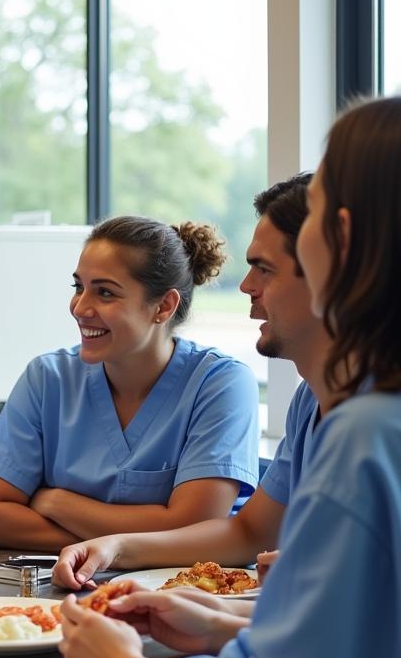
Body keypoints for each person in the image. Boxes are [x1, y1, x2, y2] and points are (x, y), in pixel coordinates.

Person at [60, 94, 401, 658]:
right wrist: (225, 626)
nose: (246, 285)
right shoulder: (398, 408)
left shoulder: (373, 440)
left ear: (343, 238)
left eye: (315, 207)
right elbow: (375, 655)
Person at [53, 174, 330, 594]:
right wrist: (116, 547)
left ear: (328, 275)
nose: (245, 286)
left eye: (264, 269)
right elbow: (249, 534)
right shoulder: (311, 400)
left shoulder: (391, 414)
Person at [0, 216, 260, 551]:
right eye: (79, 287)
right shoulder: (48, 378)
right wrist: (121, 540)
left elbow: (193, 528)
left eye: (104, 292)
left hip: (182, 595)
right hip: (63, 589)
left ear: (164, 306)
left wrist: (58, 504)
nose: (80, 307)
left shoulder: (220, 384)